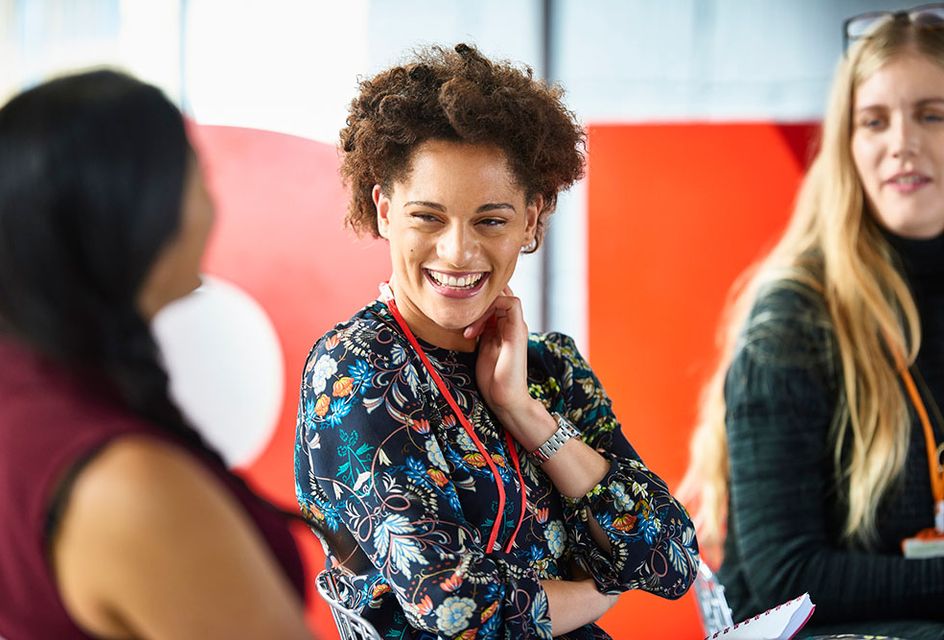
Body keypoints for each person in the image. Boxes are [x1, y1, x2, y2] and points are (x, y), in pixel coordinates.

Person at [294, 43, 698, 639]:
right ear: (383, 210)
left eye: (491, 220)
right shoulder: (356, 370)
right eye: (428, 217)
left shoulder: (551, 368)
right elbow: (458, 612)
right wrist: (601, 586)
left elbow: (670, 557)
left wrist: (525, 413)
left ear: (532, 220)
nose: (457, 252)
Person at [0, 70, 314, 639]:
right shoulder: (126, 483)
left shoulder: (28, 398)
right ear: (143, 214)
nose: (213, 206)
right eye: (198, 177)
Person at [681, 7, 944, 638]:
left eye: (932, 114)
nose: (901, 141)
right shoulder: (795, 319)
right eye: (874, 121)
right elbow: (782, 578)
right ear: (849, 146)